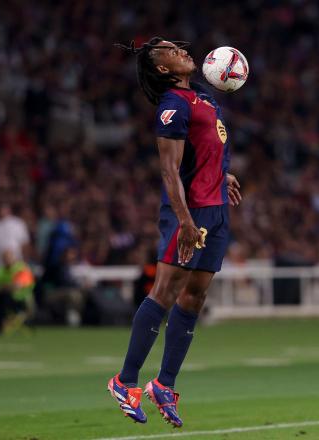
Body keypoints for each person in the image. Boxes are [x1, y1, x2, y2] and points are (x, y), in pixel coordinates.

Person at [108, 37, 242, 427]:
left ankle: (164, 384)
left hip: (215, 209)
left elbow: (208, 147)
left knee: (195, 295)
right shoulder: (172, 106)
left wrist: (224, 173)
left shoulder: (201, 95)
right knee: (165, 291)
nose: (183, 50)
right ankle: (125, 380)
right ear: (163, 69)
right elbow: (169, 171)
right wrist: (184, 220)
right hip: (191, 212)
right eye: (170, 50)